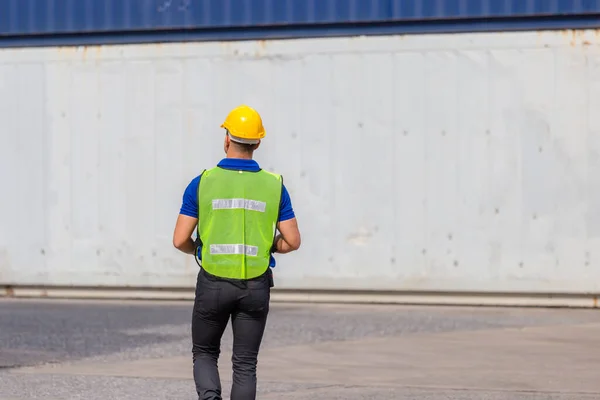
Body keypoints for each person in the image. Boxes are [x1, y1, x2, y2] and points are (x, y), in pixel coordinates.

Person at [172, 105, 301, 400]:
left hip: (213, 283)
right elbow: (292, 241)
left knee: (204, 352)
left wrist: (199, 251)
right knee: (245, 364)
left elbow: (180, 239)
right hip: (255, 285)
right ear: (258, 142)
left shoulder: (202, 182)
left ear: (227, 139)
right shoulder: (274, 185)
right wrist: (271, 247)